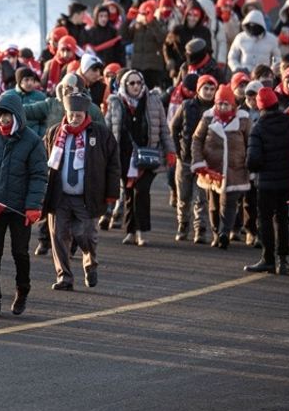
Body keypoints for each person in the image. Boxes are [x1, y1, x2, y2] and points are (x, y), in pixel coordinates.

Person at [0, 93, 46, 316]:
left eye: (8, 116)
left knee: (20, 253)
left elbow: (39, 175)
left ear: (17, 116)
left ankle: (22, 291)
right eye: (0, 115)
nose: (4, 120)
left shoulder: (32, 141)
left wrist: (33, 206)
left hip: (20, 209)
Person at [43, 92, 119, 291]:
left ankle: (90, 262)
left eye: (78, 115)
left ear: (85, 114)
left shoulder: (100, 133)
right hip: (60, 196)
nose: (74, 118)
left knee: (85, 235)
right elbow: (43, 162)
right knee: (58, 236)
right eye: (71, 114)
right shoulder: (54, 133)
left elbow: (113, 164)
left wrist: (111, 192)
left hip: (87, 196)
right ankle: (64, 277)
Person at [107, 69, 174, 246]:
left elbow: (164, 129)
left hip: (148, 156)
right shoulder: (115, 102)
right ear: (124, 85)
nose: (136, 86)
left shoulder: (153, 100)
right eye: (132, 83)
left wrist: (170, 151)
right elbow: (108, 129)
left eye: (139, 82)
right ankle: (130, 231)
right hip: (124, 156)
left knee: (141, 191)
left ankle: (142, 231)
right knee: (128, 193)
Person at [191, 85, 251, 249]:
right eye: (220, 104)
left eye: (227, 104)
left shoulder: (243, 119)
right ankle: (216, 232)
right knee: (214, 204)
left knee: (229, 202)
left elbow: (250, 143)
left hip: (235, 169)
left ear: (233, 105)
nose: (223, 107)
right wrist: (198, 161)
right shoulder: (208, 118)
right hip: (212, 169)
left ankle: (225, 232)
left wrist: (249, 163)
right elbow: (197, 140)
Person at [245, 87, 289, 276]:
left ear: (260, 107)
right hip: (287, 179)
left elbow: (253, 161)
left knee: (265, 219)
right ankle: (283, 260)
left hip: (266, 182)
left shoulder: (258, 127)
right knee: (282, 218)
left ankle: (268, 259)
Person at [171, 75, 216, 243]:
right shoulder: (186, 106)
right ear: (198, 89)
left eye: (212, 89)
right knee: (183, 197)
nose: (209, 92)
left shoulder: (216, 109)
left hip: (205, 161)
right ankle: (183, 226)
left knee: (201, 198)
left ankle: (200, 230)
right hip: (185, 159)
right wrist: (178, 151)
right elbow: (174, 128)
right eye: (206, 88)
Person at [120, 1, 170, 90]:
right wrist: (128, 20)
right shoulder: (137, 26)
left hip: (153, 68)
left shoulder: (158, 24)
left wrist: (151, 23)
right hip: (137, 66)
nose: (144, 16)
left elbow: (162, 39)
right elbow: (124, 36)